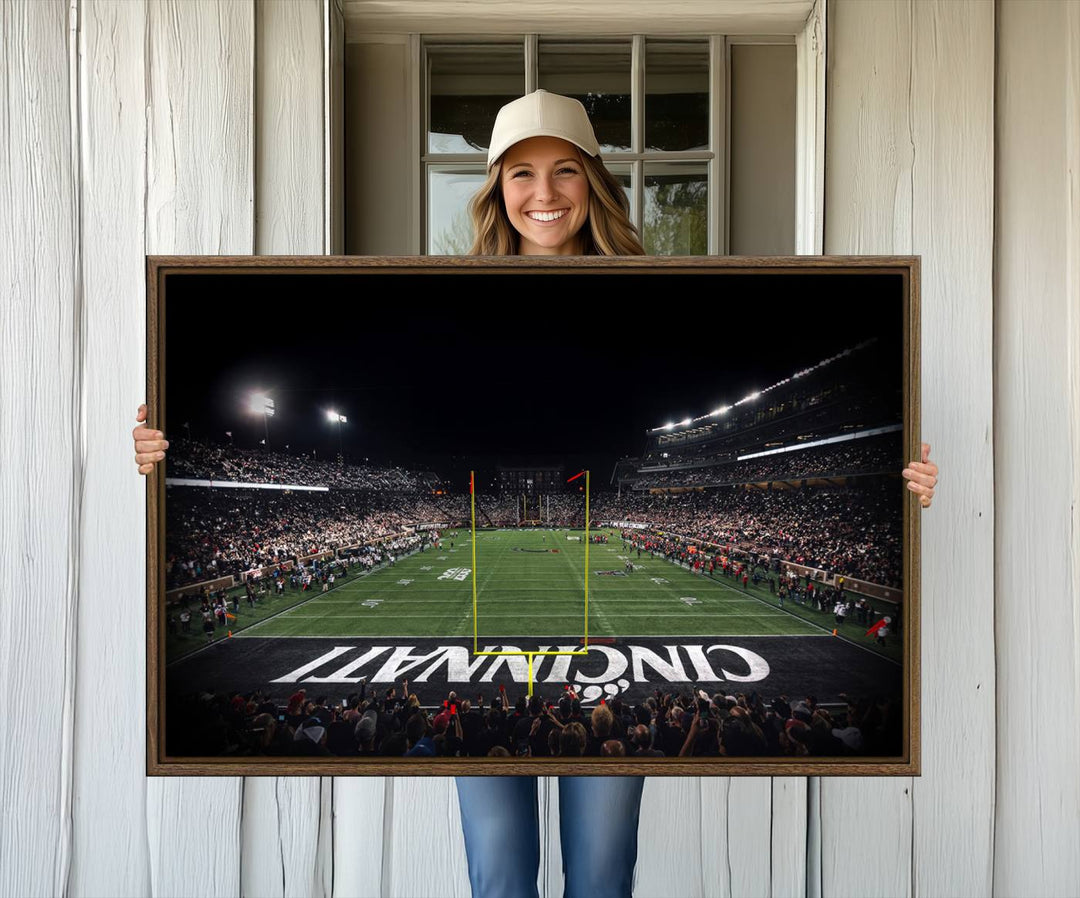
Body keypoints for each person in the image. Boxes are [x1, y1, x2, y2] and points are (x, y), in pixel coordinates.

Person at [132, 89, 940, 898]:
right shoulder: (446, 295)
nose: (544, 193)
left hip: (606, 686)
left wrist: (895, 485)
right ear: (495, 188)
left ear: (594, 181)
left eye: (564, 171)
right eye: (521, 173)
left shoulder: (658, 291)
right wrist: (159, 451)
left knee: (600, 875)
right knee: (500, 875)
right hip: (481, 685)